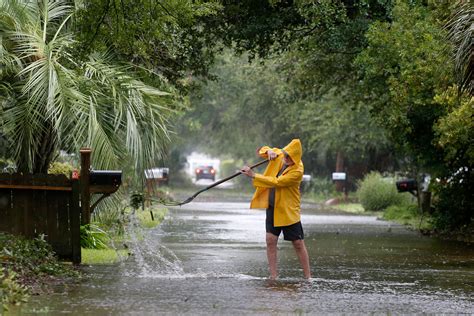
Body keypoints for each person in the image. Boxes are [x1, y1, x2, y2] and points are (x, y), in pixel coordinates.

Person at [240, 139, 311, 279]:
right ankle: (273, 276)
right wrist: (268, 151)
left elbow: (277, 182)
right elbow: (261, 149)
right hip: (273, 206)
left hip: (288, 210)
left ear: (295, 158)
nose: (285, 158)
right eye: (285, 155)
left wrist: (254, 175)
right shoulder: (281, 154)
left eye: (289, 157)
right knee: (270, 240)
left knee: (297, 243)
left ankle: (308, 277)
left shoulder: (297, 171)